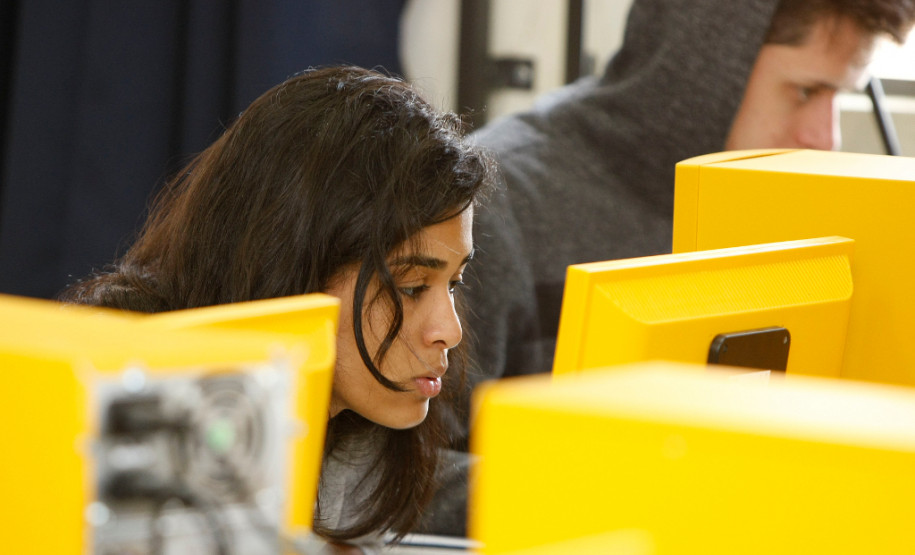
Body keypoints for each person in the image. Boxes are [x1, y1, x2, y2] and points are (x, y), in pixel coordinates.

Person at [60, 65, 495, 550]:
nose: (450, 331)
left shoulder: (358, 421)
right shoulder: (130, 401)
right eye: (412, 287)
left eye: (453, 284)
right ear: (290, 262)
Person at [464, 0, 915, 386]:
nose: (825, 137)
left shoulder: (786, 208)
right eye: (805, 92)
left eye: (839, 96)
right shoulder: (490, 204)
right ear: (703, 70)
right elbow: (415, 471)